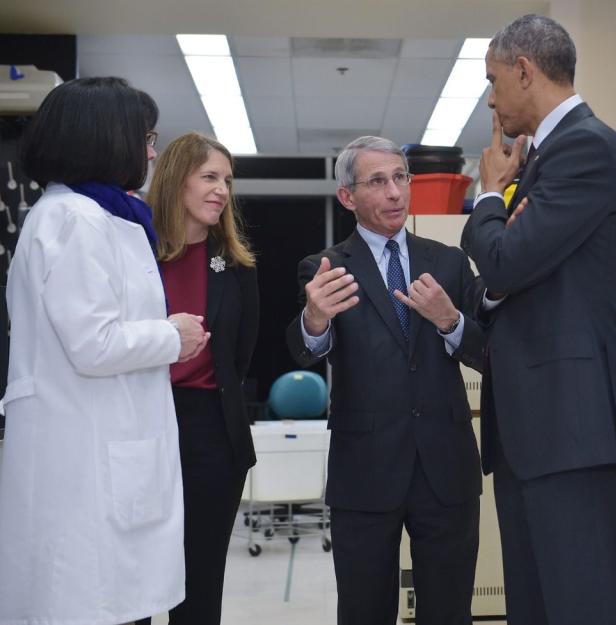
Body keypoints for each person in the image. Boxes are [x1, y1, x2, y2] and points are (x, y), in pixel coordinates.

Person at [0, 77, 209, 625]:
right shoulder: (74, 220)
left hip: (103, 446)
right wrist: (173, 335)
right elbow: (92, 344)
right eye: (145, 137)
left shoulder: (96, 215)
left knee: (111, 600)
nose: (151, 151)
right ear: (105, 137)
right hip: (84, 459)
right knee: (89, 602)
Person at [459, 15, 616, 625]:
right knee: (533, 611)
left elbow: (506, 262)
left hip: (570, 430)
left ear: (524, 71)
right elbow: (511, 281)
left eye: (493, 80)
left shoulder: (587, 148)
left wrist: (488, 195)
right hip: (532, 434)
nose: (491, 97)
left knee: (581, 608)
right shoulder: (543, 160)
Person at [286, 135, 484, 625]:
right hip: (365, 468)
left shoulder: (449, 261)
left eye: (401, 178)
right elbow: (307, 349)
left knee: (449, 610)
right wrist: (314, 321)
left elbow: (491, 352)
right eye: (378, 181)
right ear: (348, 197)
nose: (395, 192)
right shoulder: (325, 268)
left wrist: (450, 321)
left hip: (446, 465)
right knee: (364, 610)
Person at [143, 132, 260, 624]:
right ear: (175, 181)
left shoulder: (235, 264)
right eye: (209, 177)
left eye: (227, 180)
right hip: (144, 425)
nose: (222, 191)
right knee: (141, 579)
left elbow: (242, 354)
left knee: (200, 581)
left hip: (212, 430)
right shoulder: (137, 251)